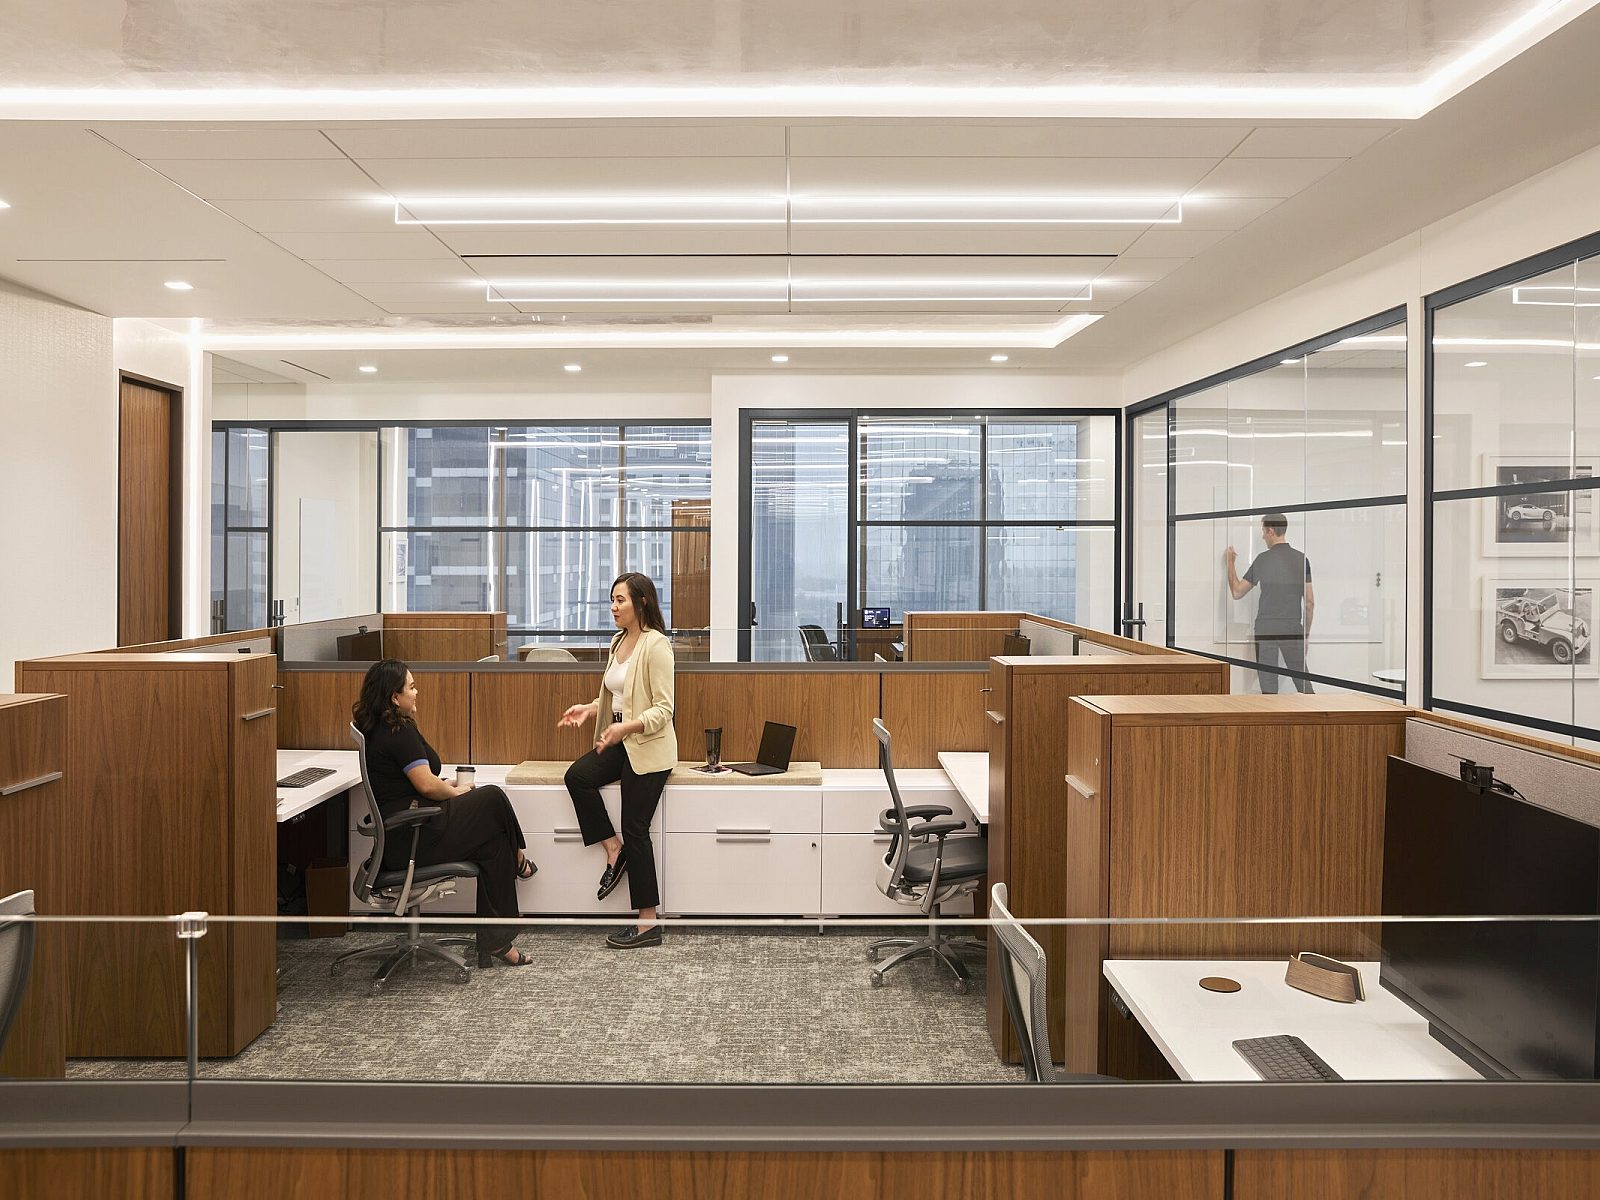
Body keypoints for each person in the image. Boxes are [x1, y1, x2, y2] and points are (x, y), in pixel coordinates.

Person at [353, 659, 536, 968]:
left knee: (493, 845)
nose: (416, 691)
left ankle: (497, 943)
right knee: (491, 796)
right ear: (394, 698)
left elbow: (415, 782)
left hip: (409, 832)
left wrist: (443, 785)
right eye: (410, 687)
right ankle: (520, 859)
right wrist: (454, 791)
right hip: (414, 838)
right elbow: (425, 785)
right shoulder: (398, 732)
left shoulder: (381, 728)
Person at [559, 572, 678, 949]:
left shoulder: (656, 645)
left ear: (641, 602)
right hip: (620, 741)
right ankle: (614, 849)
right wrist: (591, 709)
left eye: (620, 600)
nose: (613, 607)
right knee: (577, 777)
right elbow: (619, 697)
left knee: (636, 826)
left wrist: (626, 729)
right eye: (611, 599)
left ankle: (648, 923)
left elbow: (663, 709)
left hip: (649, 748)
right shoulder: (617, 641)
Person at [1224, 513, 1316, 694]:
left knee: (1268, 685)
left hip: (1266, 628)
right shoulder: (1301, 559)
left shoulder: (1262, 560)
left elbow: (1236, 592)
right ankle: (1317, 721)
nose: (1262, 536)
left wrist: (1230, 562)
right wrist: (1304, 635)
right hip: (1291, 628)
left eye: (1264, 531)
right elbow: (1310, 603)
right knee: (1304, 685)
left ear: (1271, 531)